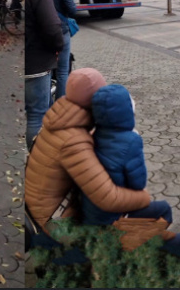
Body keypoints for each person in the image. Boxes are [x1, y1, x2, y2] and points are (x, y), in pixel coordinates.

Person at [25, 69, 152, 248]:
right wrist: (143, 198)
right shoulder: (74, 140)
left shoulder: (62, 116)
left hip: (36, 204)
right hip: (53, 219)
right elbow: (106, 197)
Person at [82, 84, 180, 257]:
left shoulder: (93, 136)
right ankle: (133, 246)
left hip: (91, 215)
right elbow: (138, 184)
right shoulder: (130, 141)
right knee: (163, 210)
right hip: (111, 220)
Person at [24, 0, 64, 150]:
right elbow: (51, 28)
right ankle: (35, 161)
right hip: (37, 66)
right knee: (36, 117)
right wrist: (58, 46)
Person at [39, 0, 78, 100]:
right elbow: (73, 11)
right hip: (61, 32)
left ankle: (46, 104)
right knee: (62, 71)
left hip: (41, 33)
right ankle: (61, 103)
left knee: (46, 70)